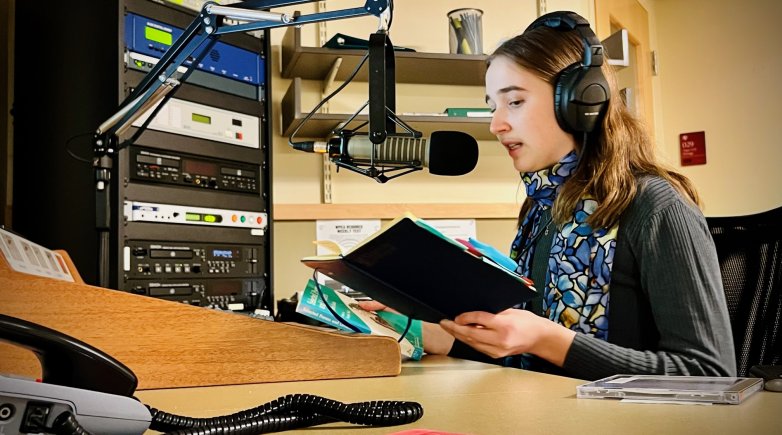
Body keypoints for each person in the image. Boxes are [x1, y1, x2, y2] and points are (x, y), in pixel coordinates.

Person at [364, 11, 736, 380]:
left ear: (579, 103)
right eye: (493, 106)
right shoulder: (541, 209)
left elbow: (709, 372)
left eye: (515, 102)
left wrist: (547, 339)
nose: (496, 125)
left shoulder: (657, 207)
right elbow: (524, 354)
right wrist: (421, 327)